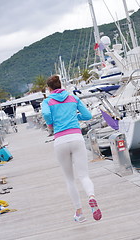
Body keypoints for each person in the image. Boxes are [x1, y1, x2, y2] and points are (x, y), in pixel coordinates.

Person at [41, 75, 102, 223]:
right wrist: (74, 117)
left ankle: (79, 213)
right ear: (60, 85)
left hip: (60, 140)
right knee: (84, 175)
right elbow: (87, 115)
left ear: (49, 89)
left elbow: (47, 114)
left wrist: (51, 124)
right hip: (76, 137)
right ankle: (91, 197)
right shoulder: (73, 97)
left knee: (70, 179)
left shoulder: (47, 101)